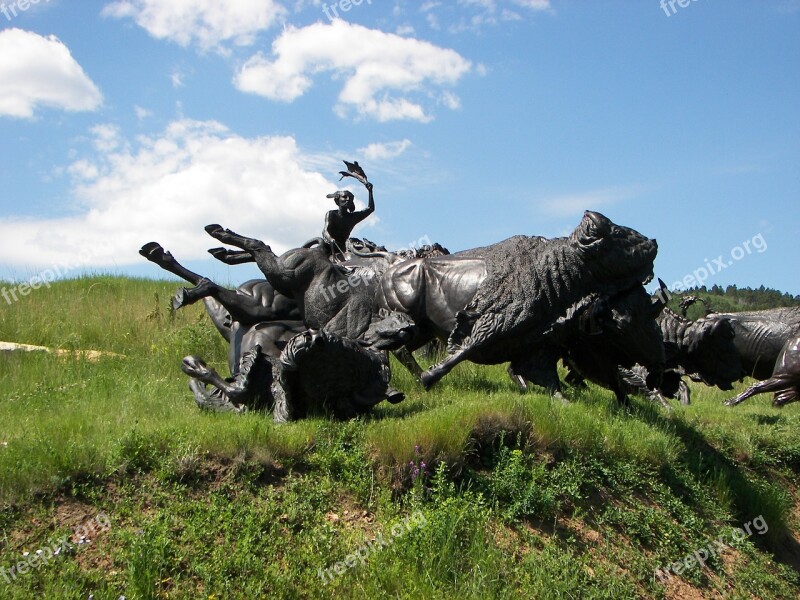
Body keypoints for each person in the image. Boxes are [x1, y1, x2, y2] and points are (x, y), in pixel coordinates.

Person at [322, 181, 374, 259]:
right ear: (337, 200)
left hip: (343, 248)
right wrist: (330, 239)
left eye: (350, 198)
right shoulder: (331, 214)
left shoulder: (353, 217)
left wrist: (370, 191)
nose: (348, 199)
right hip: (327, 246)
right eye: (344, 197)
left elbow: (370, 209)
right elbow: (325, 231)